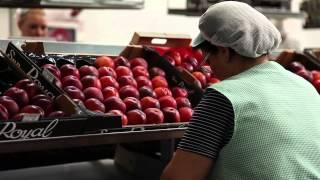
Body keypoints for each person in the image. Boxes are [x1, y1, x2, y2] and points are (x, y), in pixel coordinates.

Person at [161, 1, 320, 180]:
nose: (207, 65)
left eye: (208, 56)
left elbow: (178, 178)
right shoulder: (306, 88)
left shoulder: (223, 97)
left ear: (224, 52)